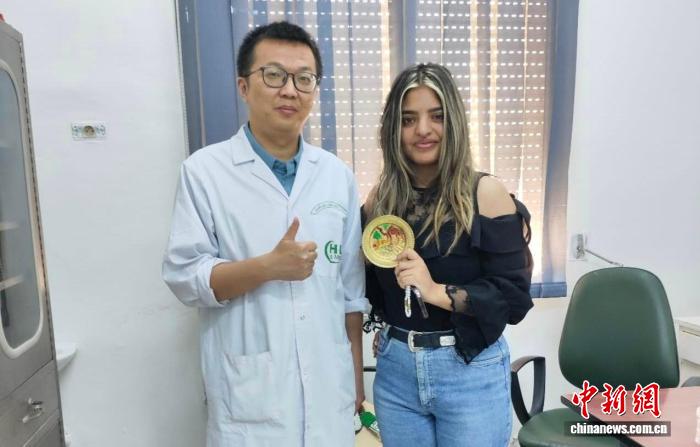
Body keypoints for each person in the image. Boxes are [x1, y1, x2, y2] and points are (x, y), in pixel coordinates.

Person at [162, 21, 368, 447]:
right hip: (250, 401)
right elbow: (185, 277)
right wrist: (267, 268)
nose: (290, 90)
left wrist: (354, 381)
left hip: (329, 394)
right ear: (243, 86)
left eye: (304, 78)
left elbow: (350, 293)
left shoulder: (336, 176)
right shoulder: (205, 172)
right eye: (274, 75)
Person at [363, 63, 534, 447]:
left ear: (453, 121)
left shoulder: (485, 193)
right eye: (408, 119)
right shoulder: (381, 201)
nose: (423, 129)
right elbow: (368, 283)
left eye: (436, 116)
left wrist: (434, 290)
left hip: (468, 371)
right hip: (396, 376)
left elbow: (513, 299)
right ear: (394, 129)